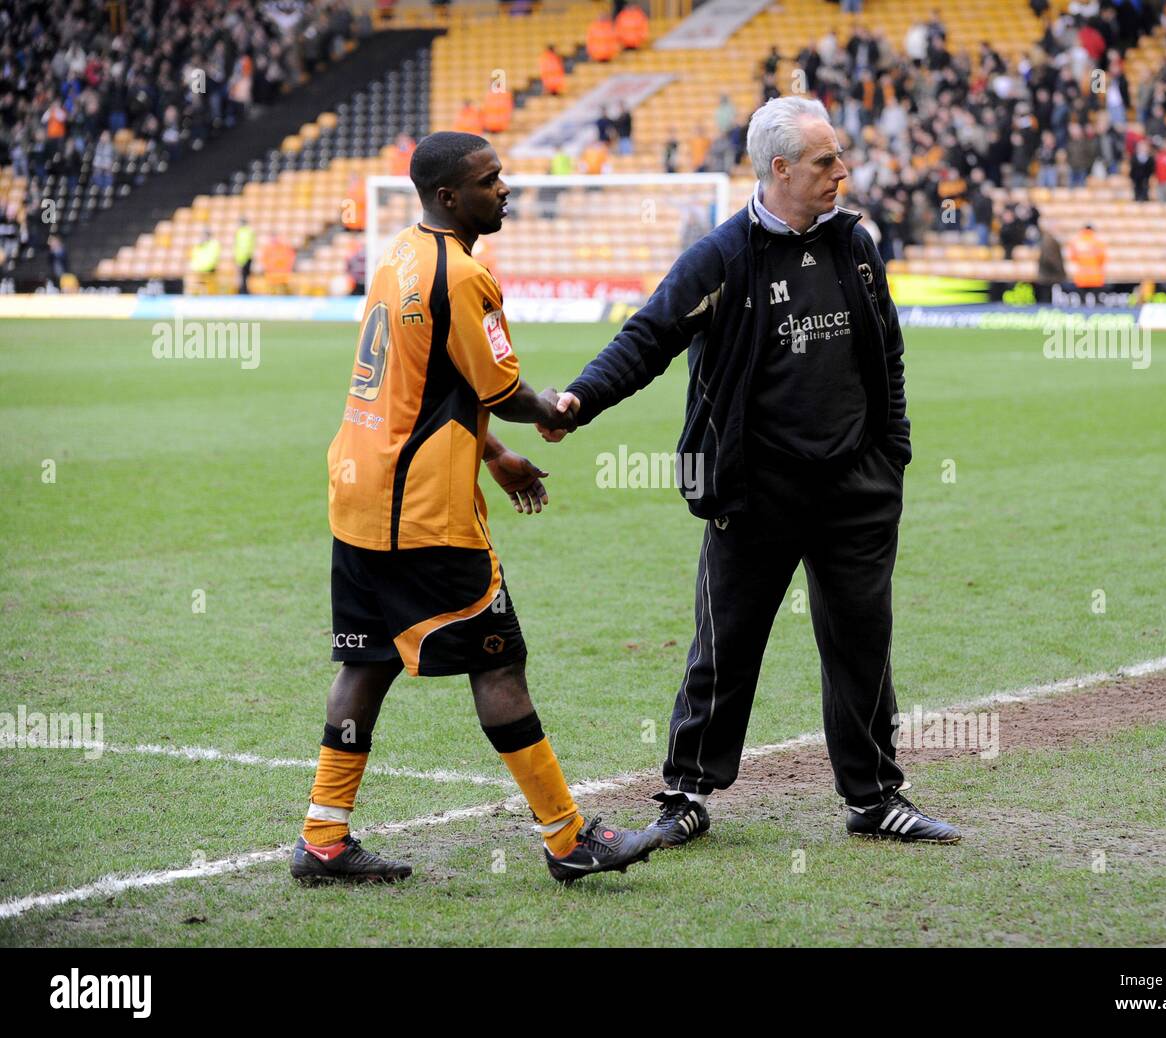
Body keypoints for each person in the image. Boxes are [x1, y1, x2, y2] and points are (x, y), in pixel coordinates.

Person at [539, 97, 961, 849]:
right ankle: (686, 794)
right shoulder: (723, 256)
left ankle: (873, 797)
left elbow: (887, 354)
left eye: (838, 157)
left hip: (855, 489)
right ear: (781, 169)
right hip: (754, 491)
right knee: (726, 647)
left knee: (863, 643)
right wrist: (579, 400)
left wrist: (889, 453)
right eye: (826, 161)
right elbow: (648, 338)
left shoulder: (854, 245)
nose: (842, 171)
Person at [292, 132, 658, 886]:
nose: (507, 188)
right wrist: (561, 408)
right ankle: (567, 839)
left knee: (365, 659)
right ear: (450, 196)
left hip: (358, 489)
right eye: (492, 180)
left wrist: (492, 458)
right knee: (500, 662)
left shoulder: (398, 255)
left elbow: (426, 387)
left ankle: (323, 838)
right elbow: (502, 392)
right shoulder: (463, 276)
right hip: (420, 511)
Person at [1066, 222, 1107, 291]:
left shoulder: (1076, 243)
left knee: (1082, 300)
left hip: (1081, 277)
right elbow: (1102, 259)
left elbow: (1072, 258)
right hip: (1095, 278)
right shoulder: (1098, 243)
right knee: (1097, 300)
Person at [189, 227, 220, 294]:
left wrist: (204, 266)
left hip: (209, 268)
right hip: (199, 269)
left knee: (209, 286)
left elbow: (212, 257)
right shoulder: (198, 245)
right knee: (198, 285)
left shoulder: (214, 244)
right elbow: (194, 256)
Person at [234, 217, 256, 295]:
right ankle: (243, 290)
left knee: (245, 275)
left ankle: (244, 290)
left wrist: (241, 258)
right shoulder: (247, 231)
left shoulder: (243, 232)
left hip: (244, 257)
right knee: (244, 275)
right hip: (244, 256)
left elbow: (244, 246)